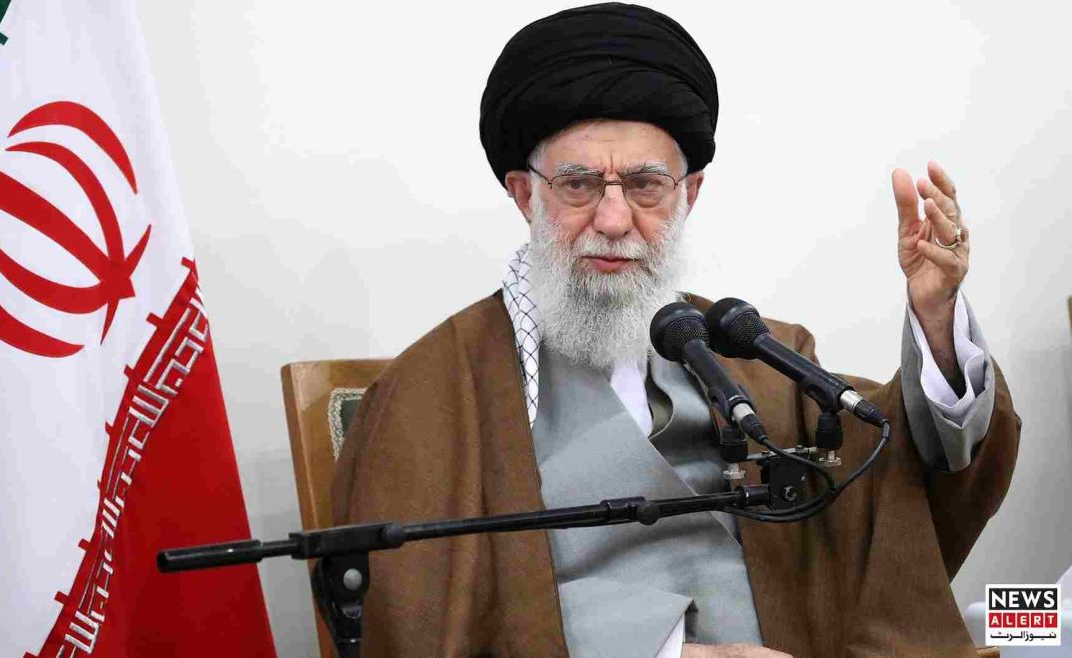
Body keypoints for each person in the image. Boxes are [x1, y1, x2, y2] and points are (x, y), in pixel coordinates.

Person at [332, 3, 1021, 656]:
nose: (612, 219)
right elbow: (404, 604)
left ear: (688, 194)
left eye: (645, 185)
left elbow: (886, 467)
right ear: (525, 194)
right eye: (577, 185)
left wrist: (935, 317)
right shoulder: (432, 392)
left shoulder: (750, 349)